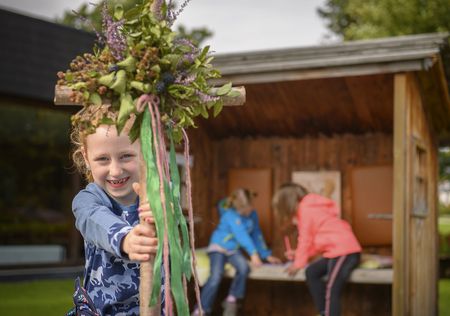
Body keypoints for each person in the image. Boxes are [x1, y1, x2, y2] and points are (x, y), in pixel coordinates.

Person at [66, 123, 159, 316]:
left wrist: (165, 213)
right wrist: (125, 238)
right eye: (102, 159)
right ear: (86, 157)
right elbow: (95, 220)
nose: (115, 171)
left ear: (145, 151)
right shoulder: (87, 201)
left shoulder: (157, 197)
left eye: (126, 156)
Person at [272, 183, 362, 316]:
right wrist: (298, 254)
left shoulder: (306, 210)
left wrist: (298, 264)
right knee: (311, 272)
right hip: (335, 252)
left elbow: (305, 239)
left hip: (345, 252)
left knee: (332, 288)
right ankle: (323, 312)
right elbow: (315, 243)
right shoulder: (308, 209)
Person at [192, 188, 281, 316]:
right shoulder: (230, 215)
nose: (248, 211)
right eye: (244, 209)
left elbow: (256, 235)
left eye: (249, 207)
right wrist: (253, 254)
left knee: (244, 268)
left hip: (233, 250)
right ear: (236, 207)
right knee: (216, 275)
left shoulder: (252, 214)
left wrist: (265, 254)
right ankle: (201, 310)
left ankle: (232, 299)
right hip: (219, 248)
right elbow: (241, 235)